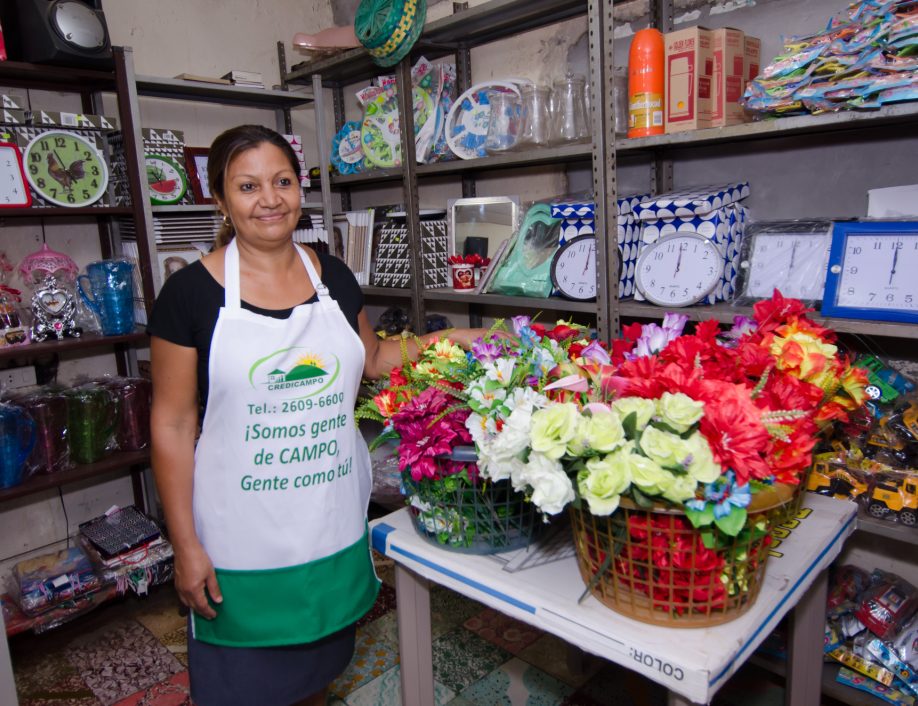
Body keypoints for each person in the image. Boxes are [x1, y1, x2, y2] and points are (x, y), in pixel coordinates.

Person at [148, 124, 487, 706]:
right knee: (244, 686)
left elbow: (376, 358)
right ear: (221, 199)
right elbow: (173, 424)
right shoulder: (189, 294)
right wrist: (185, 544)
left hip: (326, 522)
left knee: (318, 677)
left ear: (300, 188)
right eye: (248, 186)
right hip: (240, 539)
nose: (269, 199)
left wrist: (459, 336)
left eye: (282, 181)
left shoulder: (331, 277)